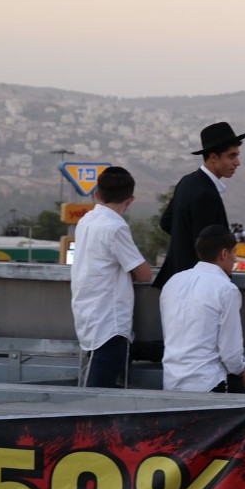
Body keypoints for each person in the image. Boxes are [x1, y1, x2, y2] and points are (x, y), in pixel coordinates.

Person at [70, 166, 152, 388]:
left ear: (97, 193)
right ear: (130, 199)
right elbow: (144, 273)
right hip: (110, 323)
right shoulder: (116, 227)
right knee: (100, 394)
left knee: (95, 386)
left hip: (87, 316)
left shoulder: (86, 221)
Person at [153, 121, 245, 289]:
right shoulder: (205, 194)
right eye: (232, 156)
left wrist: (183, 244)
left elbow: (166, 223)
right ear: (213, 157)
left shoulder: (187, 182)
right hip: (196, 289)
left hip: (176, 283)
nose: (237, 162)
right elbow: (208, 251)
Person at [160, 225, 245, 393]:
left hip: (171, 382)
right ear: (224, 254)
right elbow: (230, 353)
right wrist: (241, 371)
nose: (235, 259)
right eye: (234, 252)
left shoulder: (173, 282)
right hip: (209, 383)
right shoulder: (226, 289)